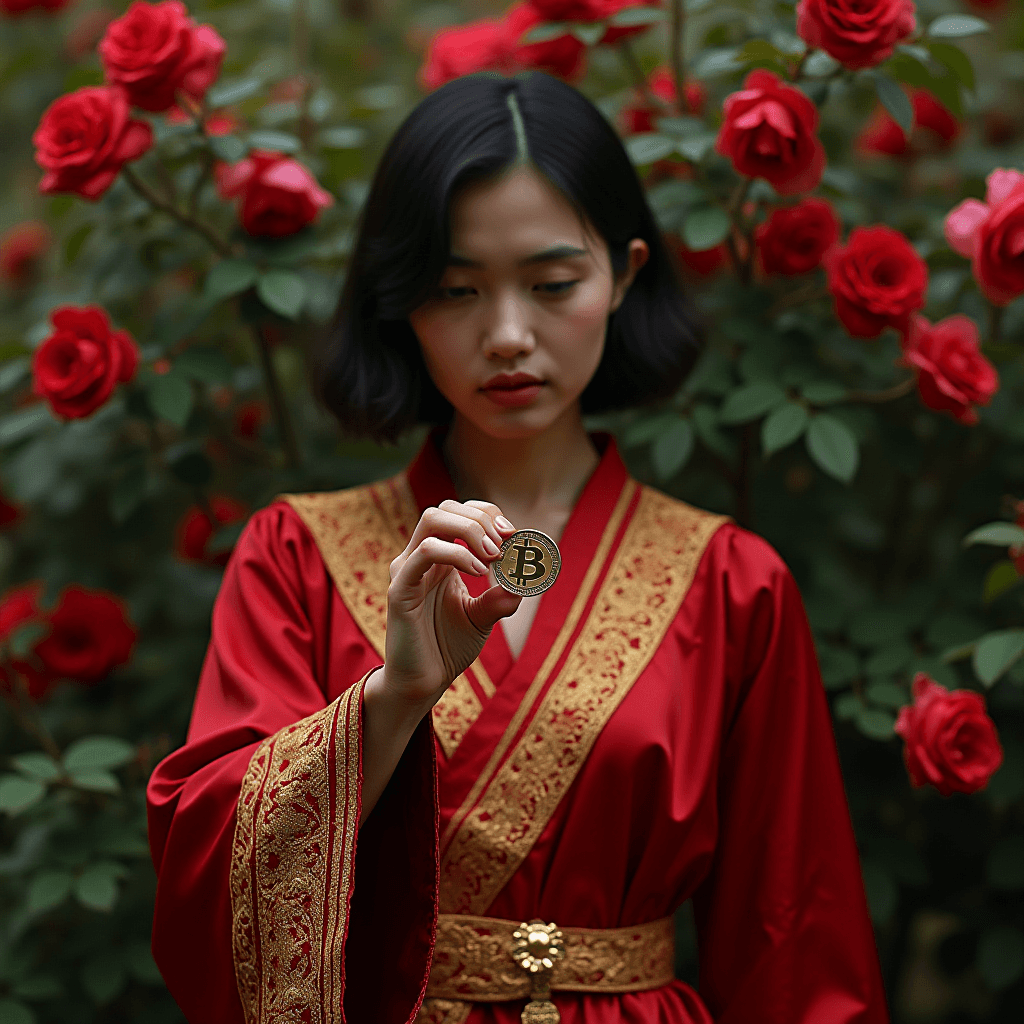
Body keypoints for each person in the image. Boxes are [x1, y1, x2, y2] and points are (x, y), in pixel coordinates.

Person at [146, 70, 889, 1024]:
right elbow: (209, 862)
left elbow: (794, 944)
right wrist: (393, 698)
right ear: (401, 300)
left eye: (551, 284)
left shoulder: (733, 582)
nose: (507, 334)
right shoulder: (295, 552)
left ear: (623, 273)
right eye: (456, 289)